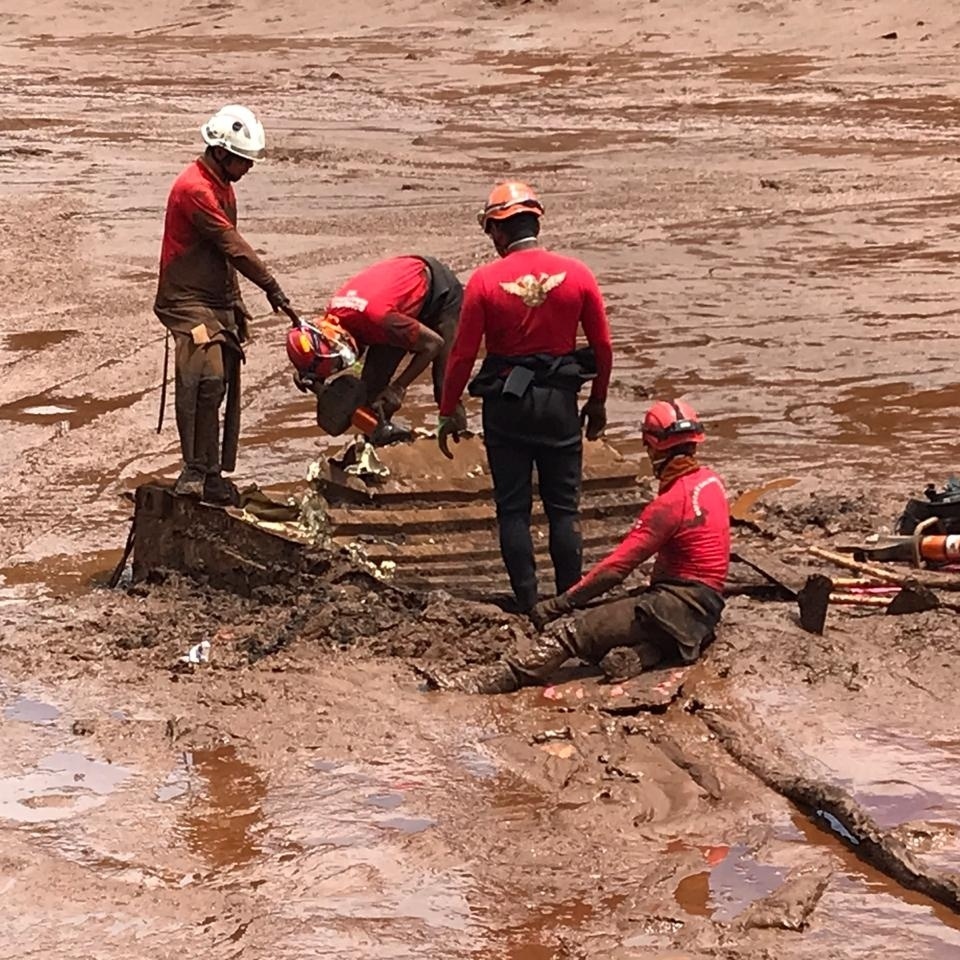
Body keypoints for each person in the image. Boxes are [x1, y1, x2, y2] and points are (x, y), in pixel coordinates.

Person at [429, 399, 730, 694]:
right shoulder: (711, 483)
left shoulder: (670, 504)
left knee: (570, 631)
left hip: (672, 606)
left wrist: (561, 604)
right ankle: (646, 653)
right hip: (705, 610)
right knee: (611, 617)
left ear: (653, 447)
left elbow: (615, 569)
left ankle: (492, 680)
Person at [436, 181, 613, 612]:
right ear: (535, 222)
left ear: (499, 231)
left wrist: (448, 411)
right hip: (559, 405)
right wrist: (598, 402)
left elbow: (461, 354)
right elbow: (603, 347)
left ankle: (529, 604)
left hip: (507, 407)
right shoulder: (578, 274)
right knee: (563, 509)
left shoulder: (483, 282)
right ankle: (568, 603)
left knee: (513, 509)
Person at [155, 104, 298, 504]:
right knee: (205, 374)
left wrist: (235, 303)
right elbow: (232, 246)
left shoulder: (223, 185)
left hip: (213, 297)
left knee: (221, 382)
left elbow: (222, 253)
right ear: (220, 152)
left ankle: (212, 470)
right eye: (243, 159)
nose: (248, 167)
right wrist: (271, 286)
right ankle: (194, 469)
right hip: (184, 300)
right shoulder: (195, 190)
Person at [287, 255, 465, 441]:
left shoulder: (381, 319)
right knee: (372, 392)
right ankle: (381, 447)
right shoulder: (333, 320)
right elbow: (318, 356)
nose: (345, 363)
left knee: (445, 391)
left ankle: (464, 449)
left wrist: (399, 387)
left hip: (438, 293)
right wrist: (312, 378)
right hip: (392, 306)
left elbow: (434, 344)